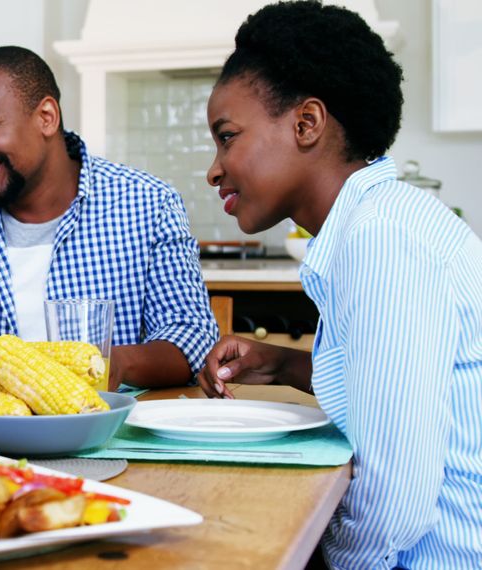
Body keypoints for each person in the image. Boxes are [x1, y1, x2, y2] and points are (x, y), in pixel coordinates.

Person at [196, 2, 482, 568]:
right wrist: (279, 364)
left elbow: (393, 504)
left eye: (227, 137)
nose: (214, 169)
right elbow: (386, 388)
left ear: (307, 123)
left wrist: (323, 559)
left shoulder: (383, 241)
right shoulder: (379, 222)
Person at [0, 46, 218, 391]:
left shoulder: (147, 202)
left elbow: (190, 338)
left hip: (103, 432)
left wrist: (109, 363)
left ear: (46, 117)